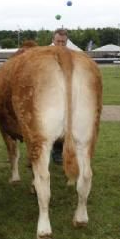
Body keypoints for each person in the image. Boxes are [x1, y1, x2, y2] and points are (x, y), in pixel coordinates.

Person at [50, 28, 68, 165]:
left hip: (63, 94)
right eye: (58, 41)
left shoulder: (70, 55)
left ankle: (57, 150)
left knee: (63, 123)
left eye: (63, 42)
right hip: (48, 93)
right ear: (53, 40)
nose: (61, 44)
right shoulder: (44, 54)